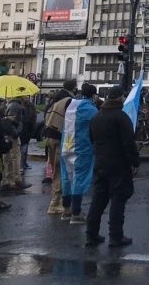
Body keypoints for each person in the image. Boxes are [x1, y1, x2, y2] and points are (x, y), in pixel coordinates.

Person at [85, 86, 140, 248]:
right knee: (118, 199)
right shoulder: (121, 117)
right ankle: (116, 236)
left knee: (98, 200)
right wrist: (134, 162)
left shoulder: (97, 116)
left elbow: (91, 138)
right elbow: (128, 143)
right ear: (120, 98)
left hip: (100, 162)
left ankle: (91, 234)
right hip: (118, 164)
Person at [60, 84, 99, 223]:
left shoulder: (71, 106)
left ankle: (66, 210)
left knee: (66, 178)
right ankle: (76, 213)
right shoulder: (92, 110)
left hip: (66, 145)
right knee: (80, 179)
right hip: (82, 148)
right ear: (93, 95)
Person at [43, 80, 77, 212]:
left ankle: (58, 201)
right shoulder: (68, 101)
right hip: (60, 138)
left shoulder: (56, 99)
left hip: (51, 137)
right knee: (61, 170)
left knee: (57, 168)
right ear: (74, 88)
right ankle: (56, 202)